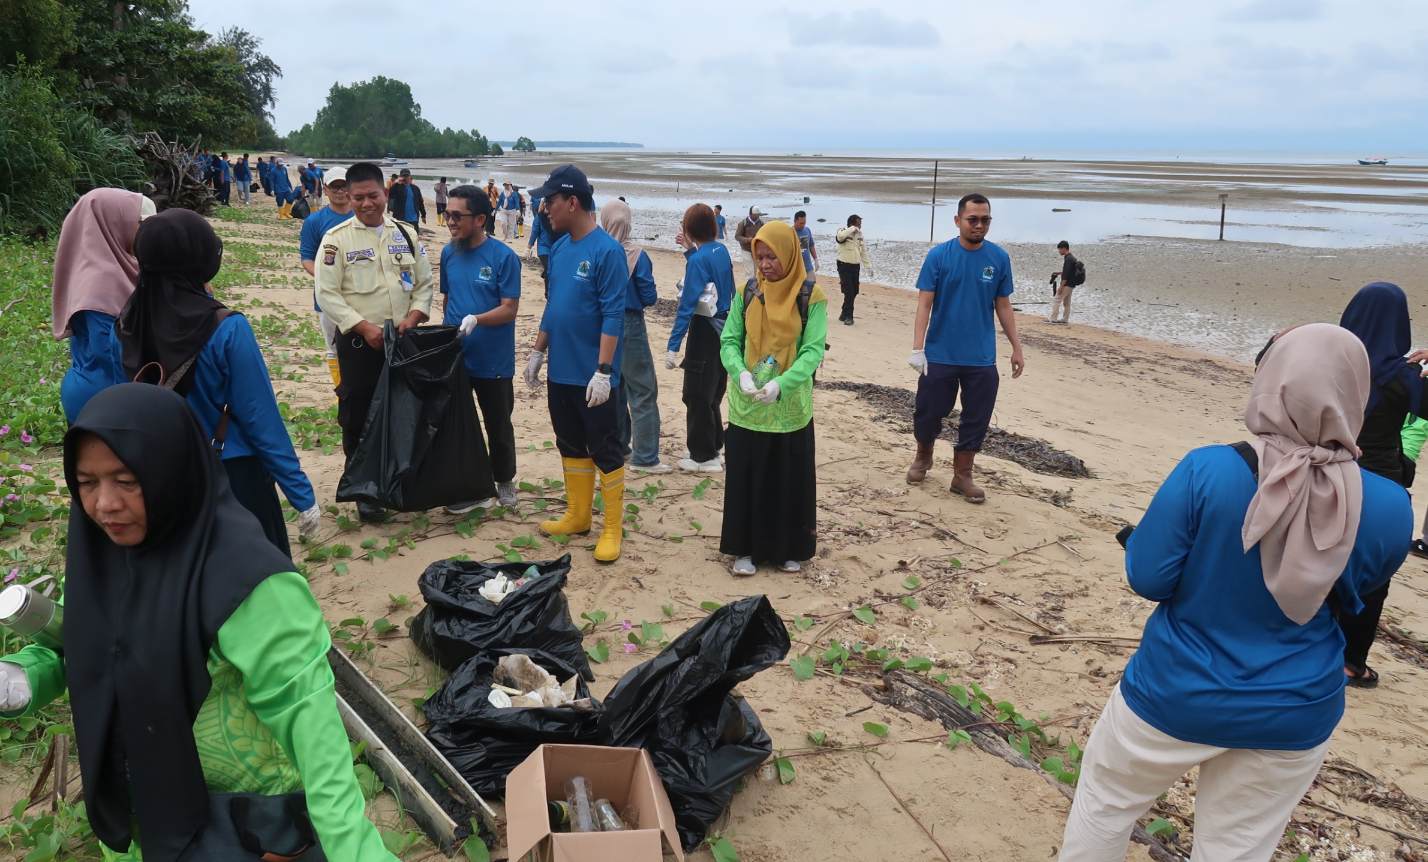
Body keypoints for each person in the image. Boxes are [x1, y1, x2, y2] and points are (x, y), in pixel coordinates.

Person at [0, 383, 398, 861]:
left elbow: (318, 743)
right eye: (87, 482)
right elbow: (91, 641)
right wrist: (26, 674)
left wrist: (356, 854)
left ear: (171, 472)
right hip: (143, 811)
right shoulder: (105, 555)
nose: (104, 504)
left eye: (127, 481)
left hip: (246, 826)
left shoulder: (250, 585)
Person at [1057, 323, 1410, 861]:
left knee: (1105, 804)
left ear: (1271, 380)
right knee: (1237, 849)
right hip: (1296, 707)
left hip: (1175, 689)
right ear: (1357, 392)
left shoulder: (1209, 468)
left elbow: (1149, 577)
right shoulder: (1389, 506)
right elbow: (1357, 590)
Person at [116, 208, 321, 554]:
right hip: (234, 476)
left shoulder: (124, 325)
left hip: (163, 475)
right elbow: (260, 418)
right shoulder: (226, 327)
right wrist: (301, 494)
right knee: (259, 583)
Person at [314, 161, 435, 524]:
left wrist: (414, 318)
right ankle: (365, 491)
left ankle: (401, 482)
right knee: (358, 416)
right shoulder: (336, 240)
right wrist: (363, 327)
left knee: (405, 412)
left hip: (403, 340)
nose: (367, 204)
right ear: (348, 198)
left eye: (373, 195)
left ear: (386, 193)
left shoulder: (405, 234)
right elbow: (327, 294)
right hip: (359, 344)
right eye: (358, 198)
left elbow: (424, 282)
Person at [521, 164, 629, 563]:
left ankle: (612, 527)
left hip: (593, 375)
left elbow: (613, 314)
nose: (544, 209)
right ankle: (578, 514)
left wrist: (603, 372)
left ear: (571, 201)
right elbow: (556, 305)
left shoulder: (607, 251)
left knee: (605, 447)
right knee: (569, 442)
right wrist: (537, 350)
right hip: (561, 370)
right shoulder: (562, 247)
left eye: (549, 201)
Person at [1332, 282, 1428, 687]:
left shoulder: (1327, 360)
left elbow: (1266, 363)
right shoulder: (1403, 377)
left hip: (1326, 471)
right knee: (1371, 576)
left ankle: (1299, 643)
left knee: (1315, 558)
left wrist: (1286, 337)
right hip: (1380, 485)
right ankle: (1351, 662)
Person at [719, 221, 827, 576]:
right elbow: (729, 342)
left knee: (787, 476)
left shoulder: (811, 296)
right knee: (747, 476)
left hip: (789, 406)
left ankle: (787, 548)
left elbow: (812, 352)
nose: (765, 264)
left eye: (772, 257)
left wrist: (783, 383)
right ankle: (744, 549)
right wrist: (741, 373)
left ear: (790, 254)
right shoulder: (746, 292)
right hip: (747, 403)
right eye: (759, 256)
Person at [905, 193, 1025, 502]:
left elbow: (1004, 305)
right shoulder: (939, 256)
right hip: (940, 353)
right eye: (973, 219)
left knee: (977, 416)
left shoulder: (998, 259)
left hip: (981, 357)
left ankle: (962, 475)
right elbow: (924, 305)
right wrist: (918, 348)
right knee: (928, 412)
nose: (979, 225)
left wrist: (1016, 347)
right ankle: (923, 455)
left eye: (985, 220)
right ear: (958, 221)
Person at [442, 185, 522, 511]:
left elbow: (509, 308)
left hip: (494, 361)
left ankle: (504, 481)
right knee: (459, 426)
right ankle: (470, 483)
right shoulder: (449, 253)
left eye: (456, 216)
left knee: (498, 424)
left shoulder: (503, 257)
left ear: (479, 219)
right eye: (447, 214)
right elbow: (448, 298)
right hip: (457, 359)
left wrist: (477, 318)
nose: (449, 221)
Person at [52, 188, 156, 424]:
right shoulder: (103, 278)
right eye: (143, 224)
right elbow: (109, 353)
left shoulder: (104, 264)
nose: (148, 233)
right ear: (116, 223)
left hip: (92, 388)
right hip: (106, 400)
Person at [601, 199, 668, 474]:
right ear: (628, 222)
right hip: (630, 322)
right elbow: (650, 296)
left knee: (616, 387)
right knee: (642, 390)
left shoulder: (599, 251)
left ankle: (619, 446)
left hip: (604, 324)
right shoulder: (637, 255)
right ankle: (645, 457)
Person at [668, 203, 736, 473]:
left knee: (695, 393)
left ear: (689, 228)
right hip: (725, 328)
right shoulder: (720, 250)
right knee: (713, 391)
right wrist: (689, 250)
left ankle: (702, 455)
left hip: (705, 330)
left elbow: (687, 304)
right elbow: (714, 280)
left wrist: (673, 347)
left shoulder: (699, 258)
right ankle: (714, 444)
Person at [298, 166, 355, 387]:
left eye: (344, 186)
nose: (340, 191)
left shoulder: (363, 217)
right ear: (325, 188)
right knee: (334, 347)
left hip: (361, 295)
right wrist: (326, 277)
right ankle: (341, 389)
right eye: (335, 186)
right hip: (328, 297)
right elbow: (307, 258)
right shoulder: (314, 222)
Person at [834, 214, 872, 325]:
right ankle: (849, 317)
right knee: (849, 291)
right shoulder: (843, 231)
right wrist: (852, 228)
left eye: (860, 224)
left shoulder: (860, 235)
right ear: (852, 223)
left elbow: (863, 252)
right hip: (844, 265)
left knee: (854, 291)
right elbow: (839, 237)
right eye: (858, 223)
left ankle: (843, 312)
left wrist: (868, 267)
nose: (860, 226)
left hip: (855, 266)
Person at [1049, 240, 1080, 324]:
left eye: (1059, 249)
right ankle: (1065, 319)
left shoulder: (1068, 259)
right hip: (1072, 284)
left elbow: (1066, 275)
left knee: (1057, 299)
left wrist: (1061, 287)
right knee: (1067, 302)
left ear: (1064, 248)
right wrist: (1060, 273)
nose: (1059, 251)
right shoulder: (1072, 258)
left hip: (1067, 284)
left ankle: (1053, 319)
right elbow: (1070, 272)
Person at [733, 206, 764, 278]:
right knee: (749, 272)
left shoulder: (761, 223)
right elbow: (737, 236)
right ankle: (750, 288)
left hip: (757, 250)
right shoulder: (743, 223)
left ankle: (757, 287)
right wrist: (747, 240)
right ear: (751, 214)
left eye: (758, 215)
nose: (757, 216)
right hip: (746, 250)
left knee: (757, 271)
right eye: (756, 215)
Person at [793, 210, 818, 275]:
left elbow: (811, 246)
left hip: (808, 266)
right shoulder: (790, 232)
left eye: (804, 223)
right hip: (795, 268)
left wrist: (816, 259)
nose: (803, 225)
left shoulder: (807, 230)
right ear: (795, 221)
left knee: (811, 283)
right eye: (801, 223)